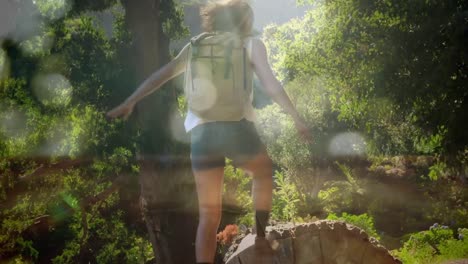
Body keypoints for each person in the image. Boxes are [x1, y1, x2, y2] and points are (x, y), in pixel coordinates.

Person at [107, 0, 311, 263]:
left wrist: (130, 101)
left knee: (208, 216)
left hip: (202, 135)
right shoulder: (250, 45)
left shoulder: (195, 46)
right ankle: (261, 238)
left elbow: (160, 75)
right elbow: (270, 84)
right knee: (262, 171)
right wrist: (297, 118)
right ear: (244, 21)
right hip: (236, 129)